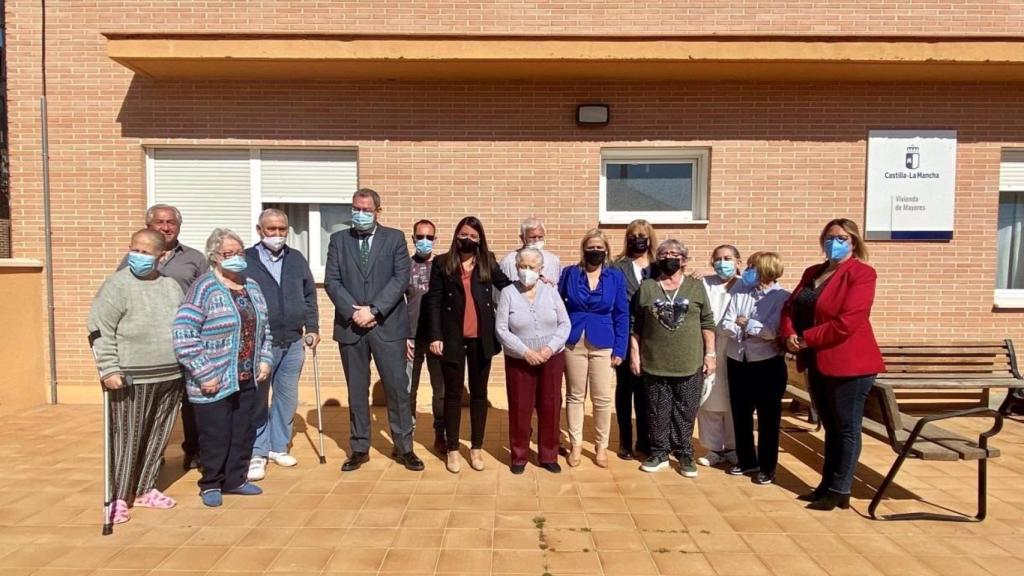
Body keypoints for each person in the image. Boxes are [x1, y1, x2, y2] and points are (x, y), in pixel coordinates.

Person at [781, 218, 885, 511]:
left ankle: (840, 488)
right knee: (830, 426)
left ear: (854, 242)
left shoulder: (861, 274)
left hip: (849, 363)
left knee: (845, 428)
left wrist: (806, 339)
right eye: (829, 237)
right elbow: (792, 306)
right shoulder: (813, 272)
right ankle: (826, 485)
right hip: (816, 361)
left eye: (841, 238)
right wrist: (789, 333)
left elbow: (849, 320)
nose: (834, 243)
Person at [89, 229, 186, 523]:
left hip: (170, 374)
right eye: (135, 250)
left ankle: (145, 488)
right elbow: (98, 329)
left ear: (162, 256)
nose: (139, 256)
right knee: (127, 438)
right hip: (131, 376)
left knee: (158, 435)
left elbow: (184, 325)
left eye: (146, 252)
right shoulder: (117, 285)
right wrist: (109, 368)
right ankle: (118, 496)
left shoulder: (172, 287)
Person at [324, 188, 422, 472]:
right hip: (350, 327)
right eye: (356, 209)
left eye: (367, 210)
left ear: (378, 211)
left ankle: (404, 447)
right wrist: (354, 312)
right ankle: (358, 447)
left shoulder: (394, 238)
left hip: (388, 325)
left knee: (397, 390)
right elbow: (332, 281)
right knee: (357, 390)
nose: (360, 214)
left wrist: (374, 310)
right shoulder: (338, 240)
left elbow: (401, 277)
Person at [173, 228, 272, 507]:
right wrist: (204, 373)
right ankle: (211, 483)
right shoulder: (204, 287)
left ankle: (235, 479)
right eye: (229, 253)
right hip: (213, 379)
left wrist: (265, 359)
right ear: (215, 257)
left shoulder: (251, 286)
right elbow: (184, 333)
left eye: (240, 253)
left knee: (243, 430)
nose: (236, 258)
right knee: (216, 434)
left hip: (247, 375)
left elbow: (265, 329)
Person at [118, 203, 209, 471]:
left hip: (187, 341)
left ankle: (194, 451)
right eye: (160, 222)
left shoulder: (194, 258)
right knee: (151, 406)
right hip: (147, 345)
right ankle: (148, 457)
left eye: (172, 223)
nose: (166, 227)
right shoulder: (134, 258)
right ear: (149, 225)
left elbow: (205, 293)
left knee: (192, 403)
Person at [425, 216, 512, 473]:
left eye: (474, 237)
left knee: (479, 395)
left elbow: (506, 286)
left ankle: (476, 448)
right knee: (453, 396)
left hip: (481, 339)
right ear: (456, 235)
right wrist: (435, 336)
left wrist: (534, 287)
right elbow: (434, 301)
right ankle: (452, 449)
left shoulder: (487, 262)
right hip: (451, 338)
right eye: (464, 234)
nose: (468, 240)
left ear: (480, 240)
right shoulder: (442, 263)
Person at [244, 209, 319, 481]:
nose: (276, 235)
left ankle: (278, 446)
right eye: (270, 229)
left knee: (286, 399)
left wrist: (312, 328)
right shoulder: (246, 259)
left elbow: (309, 294)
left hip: (293, 340)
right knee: (258, 399)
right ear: (259, 230)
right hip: (260, 343)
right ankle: (257, 451)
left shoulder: (296, 258)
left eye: (282, 230)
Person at [629, 239, 715, 477]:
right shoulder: (647, 287)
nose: (669, 257)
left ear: (684, 260)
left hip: (689, 362)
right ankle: (659, 452)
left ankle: (685, 452)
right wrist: (635, 355)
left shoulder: (695, 287)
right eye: (664, 253)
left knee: (686, 410)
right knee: (657, 409)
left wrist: (710, 354)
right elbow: (635, 324)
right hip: (655, 362)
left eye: (675, 253)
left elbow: (707, 322)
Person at [496, 248, 571, 474]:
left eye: (531, 267)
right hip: (520, 360)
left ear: (540, 270)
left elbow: (564, 324)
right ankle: (519, 456)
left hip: (551, 357)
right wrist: (524, 351)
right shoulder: (508, 293)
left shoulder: (550, 291)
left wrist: (549, 349)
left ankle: (548, 454)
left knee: (550, 406)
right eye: (522, 266)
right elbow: (501, 329)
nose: (526, 271)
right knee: (520, 407)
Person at [558, 229, 628, 468]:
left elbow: (621, 313)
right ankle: (575, 444)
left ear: (606, 250)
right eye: (591, 247)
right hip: (573, 341)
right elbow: (558, 305)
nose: (595, 251)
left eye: (599, 247)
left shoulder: (615, 277)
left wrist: (620, 348)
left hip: (604, 343)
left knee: (602, 398)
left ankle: (601, 446)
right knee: (575, 396)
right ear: (583, 249)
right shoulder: (569, 273)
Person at [721, 252, 790, 485]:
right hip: (738, 359)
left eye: (752, 266)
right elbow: (726, 323)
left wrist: (747, 324)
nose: (748, 270)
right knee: (740, 414)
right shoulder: (740, 291)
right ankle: (746, 460)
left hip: (767, 364)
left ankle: (767, 467)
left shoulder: (781, 297)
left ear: (766, 270)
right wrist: (747, 328)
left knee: (768, 418)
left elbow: (773, 331)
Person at [610, 219, 658, 460]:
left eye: (642, 235)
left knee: (646, 392)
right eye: (633, 235)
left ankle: (645, 439)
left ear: (650, 238)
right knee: (625, 388)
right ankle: (625, 440)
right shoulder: (617, 266)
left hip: (654, 337)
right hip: (626, 333)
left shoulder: (659, 266)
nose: (637, 239)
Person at [695, 245, 743, 468]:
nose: (723, 262)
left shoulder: (746, 285)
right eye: (718, 258)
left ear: (738, 261)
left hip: (736, 348)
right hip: (709, 347)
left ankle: (734, 447)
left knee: (735, 400)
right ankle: (713, 447)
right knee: (709, 398)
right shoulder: (704, 283)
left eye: (728, 258)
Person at [406, 219, 446, 455]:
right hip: (410, 338)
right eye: (420, 237)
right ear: (413, 239)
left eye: (429, 237)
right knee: (408, 389)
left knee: (439, 390)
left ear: (435, 239)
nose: (424, 241)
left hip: (436, 338)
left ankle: (439, 433)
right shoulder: (404, 266)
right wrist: (402, 336)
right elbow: (396, 303)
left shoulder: (442, 266)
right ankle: (406, 435)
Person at [499, 217, 561, 284]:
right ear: (523, 238)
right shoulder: (508, 261)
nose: (537, 240)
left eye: (540, 237)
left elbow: (555, 287)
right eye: (532, 237)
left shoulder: (553, 260)